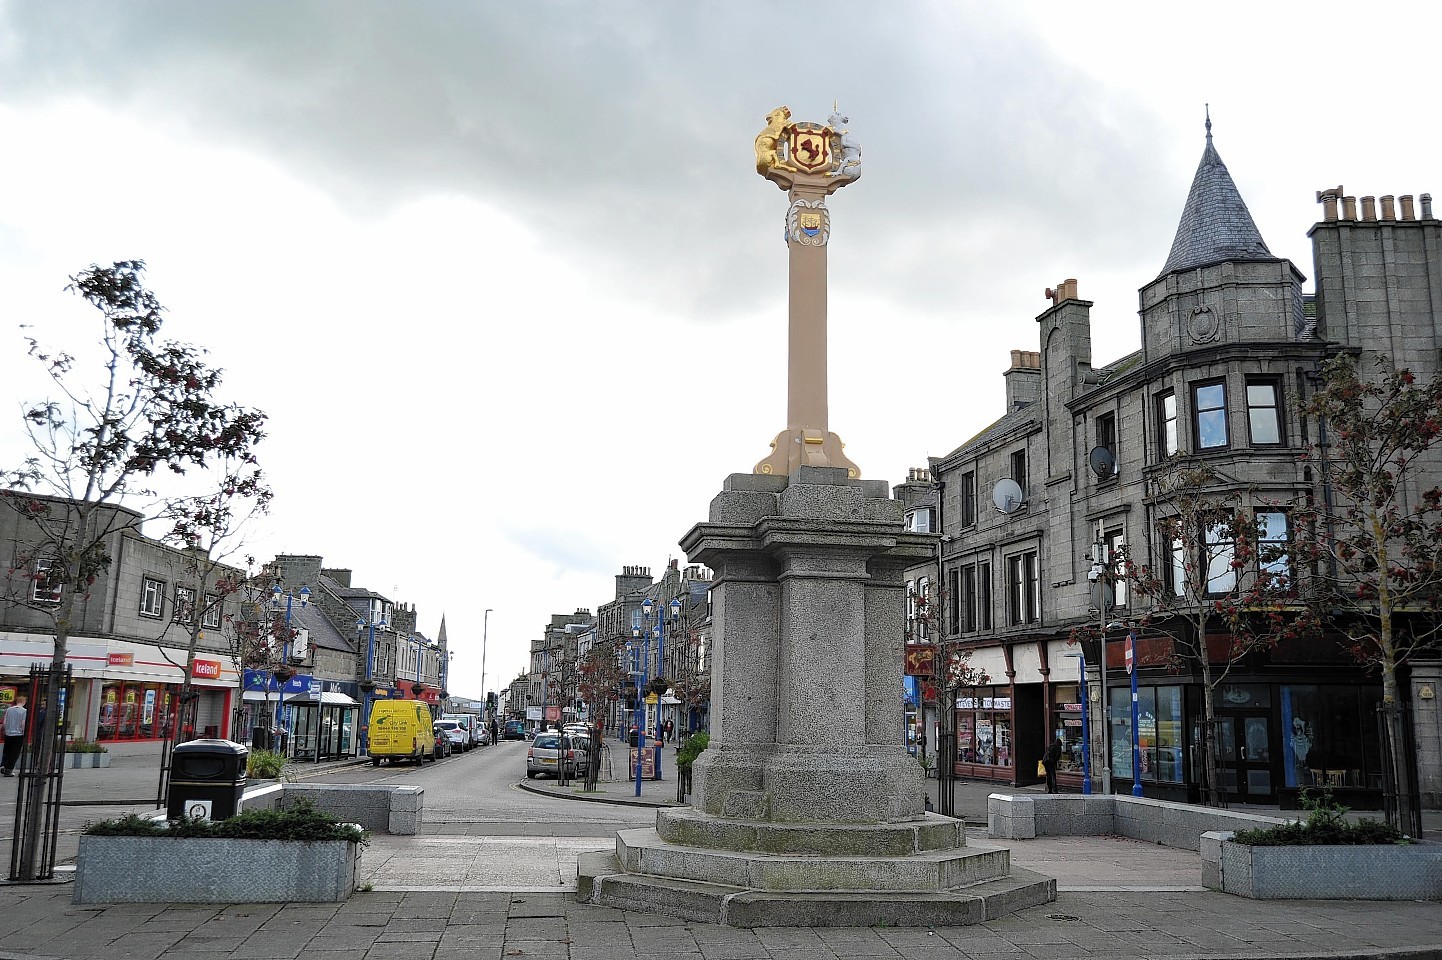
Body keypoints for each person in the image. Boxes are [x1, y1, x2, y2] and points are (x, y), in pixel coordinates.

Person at [2, 695, 29, 776]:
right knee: (15, 753)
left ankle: (4, 766)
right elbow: (23, 723)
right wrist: (24, 733)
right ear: (24, 702)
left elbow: (5, 722)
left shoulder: (9, 710)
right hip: (18, 734)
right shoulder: (24, 711)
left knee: (7, 751)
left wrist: (5, 730)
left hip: (8, 733)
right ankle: (9, 770)